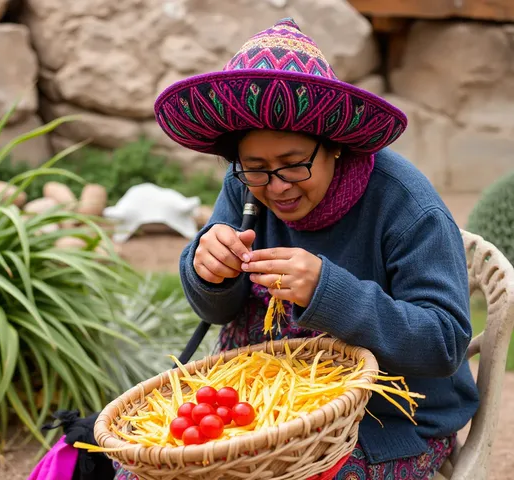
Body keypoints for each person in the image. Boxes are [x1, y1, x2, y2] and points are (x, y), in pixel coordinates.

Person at [29, 17, 479, 480]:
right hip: (262, 401)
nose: (276, 186)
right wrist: (207, 269)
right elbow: (218, 309)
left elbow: (444, 343)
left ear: (336, 147)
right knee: (147, 472)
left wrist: (328, 290)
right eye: (256, 167)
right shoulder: (245, 186)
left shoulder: (406, 207)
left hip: (385, 423)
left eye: (292, 165)